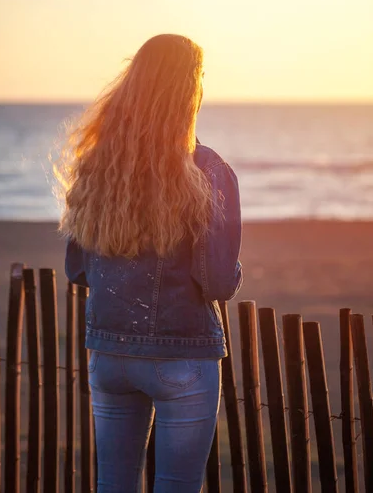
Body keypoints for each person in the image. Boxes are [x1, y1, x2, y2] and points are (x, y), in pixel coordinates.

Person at [60, 33, 243, 493]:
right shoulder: (208, 170)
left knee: (113, 485)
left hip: (109, 355)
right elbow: (218, 281)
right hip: (181, 357)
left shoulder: (98, 165)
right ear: (189, 91)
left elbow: (77, 270)